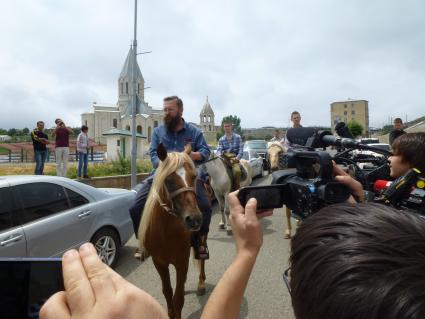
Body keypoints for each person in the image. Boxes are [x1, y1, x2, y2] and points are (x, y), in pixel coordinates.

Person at [129, 95, 211, 260]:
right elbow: (153, 153)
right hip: (162, 175)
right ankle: (142, 242)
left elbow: (205, 152)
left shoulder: (193, 131)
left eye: (170, 109)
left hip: (187, 176)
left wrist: (191, 155)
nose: (166, 112)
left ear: (180, 110)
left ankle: (201, 242)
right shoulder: (158, 131)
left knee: (205, 206)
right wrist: (164, 164)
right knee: (135, 207)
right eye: (165, 109)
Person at [216, 120, 243, 189]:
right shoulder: (221, 139)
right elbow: (219, 150)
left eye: (228, 126)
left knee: (237, 171)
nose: (226, 128)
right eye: (225, 126)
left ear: (231, 127)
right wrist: (219, 156)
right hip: (225, 158)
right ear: (223, 127)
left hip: (235, 158)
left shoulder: (238, 137)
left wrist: (237, 159)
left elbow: (241, 150)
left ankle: (237, 187)